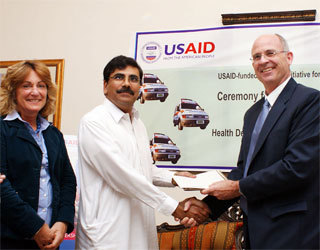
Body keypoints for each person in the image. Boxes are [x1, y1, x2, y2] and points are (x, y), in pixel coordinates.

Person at [182, 34, 319, 249]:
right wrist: (206, 207)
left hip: (293, 231)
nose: (263, 60)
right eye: (256, 56)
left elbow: (297, 167)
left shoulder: (310, 101)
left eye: (270, 53)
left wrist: (237, 187)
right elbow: (244, 171)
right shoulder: (253, 113)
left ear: (289, 57)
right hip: (255, 231)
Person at [75, 55, 209, 249]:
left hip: (140, 231)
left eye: (133, 79)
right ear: (105, 85)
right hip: (107, 236)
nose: (127, 84)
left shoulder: (137, 123)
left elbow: (141, 166)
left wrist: (174, 177)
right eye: (119, 77)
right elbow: (122, 175)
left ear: (140, 88)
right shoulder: (94, 122)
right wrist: (175, 208)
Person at [0, 60, 77, 249]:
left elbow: (67, 180)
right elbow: (1, 186)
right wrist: (36, 227)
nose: (35, 92)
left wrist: (63, 222)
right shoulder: (2, 129)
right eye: (26, 86)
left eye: (41, 86)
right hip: (10, 240)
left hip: (51, 239)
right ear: (13, 92)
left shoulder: (53, 134)